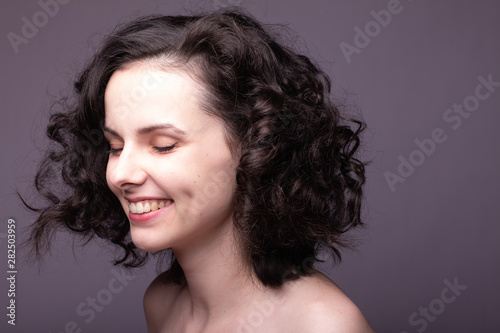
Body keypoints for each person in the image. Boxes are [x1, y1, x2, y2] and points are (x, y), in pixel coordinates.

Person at [24, 9, 374, 332]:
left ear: (258, 145)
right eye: (115, 147)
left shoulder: (322, 325)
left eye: (163, 144)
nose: (120, 174)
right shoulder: (162, 304)